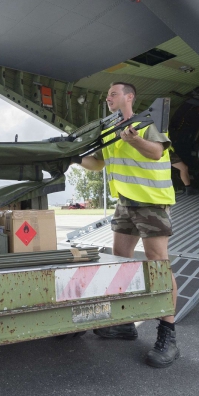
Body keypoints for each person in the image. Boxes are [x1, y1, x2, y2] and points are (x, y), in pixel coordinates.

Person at [73, 82, 179, 368]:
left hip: (152, 203)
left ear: (130, 97)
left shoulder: (147, 123)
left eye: (114, 93)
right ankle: (125, 324)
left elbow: (156, 152)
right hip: (125, 203)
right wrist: (74, 156)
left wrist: (134, 140)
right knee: (120, 261)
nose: (108, 97)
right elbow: (98, 164)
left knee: (158, 263)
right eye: (107, 94)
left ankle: (168, 335)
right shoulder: (109, 131)